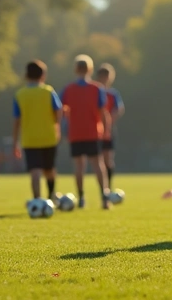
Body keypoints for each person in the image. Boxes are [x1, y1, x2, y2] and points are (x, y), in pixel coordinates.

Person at [61, 55, 111, 209]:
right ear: (90, 69)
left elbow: (61, 110)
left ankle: (81, 197)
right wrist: (106, 129)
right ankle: (104, 197)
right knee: (98, 164)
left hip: (76, 132)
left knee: (79, 166)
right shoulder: (97, 88)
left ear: (75, 69)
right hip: (93, 132)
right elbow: (103, 112)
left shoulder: (68, 89)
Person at [12, 60, 63, 201]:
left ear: (26, 75)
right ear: (43, 75)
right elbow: (59, 110)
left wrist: (15, 141)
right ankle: (52, 195)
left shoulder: (20, 94)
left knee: (35, 171)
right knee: (49, 169)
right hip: (49, 136)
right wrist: (57, 126)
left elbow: (17, 120)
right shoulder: (48, 91)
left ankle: (37, 200)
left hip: (30, 139)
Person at [95, 63, 125, 192]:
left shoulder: (113, 94)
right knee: (97, 160)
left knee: (108, 160)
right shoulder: (94, 91)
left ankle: (108, 187)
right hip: (95, 130)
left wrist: (109, 121)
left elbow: (119, 109)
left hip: (109, 130)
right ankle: (103, 189)